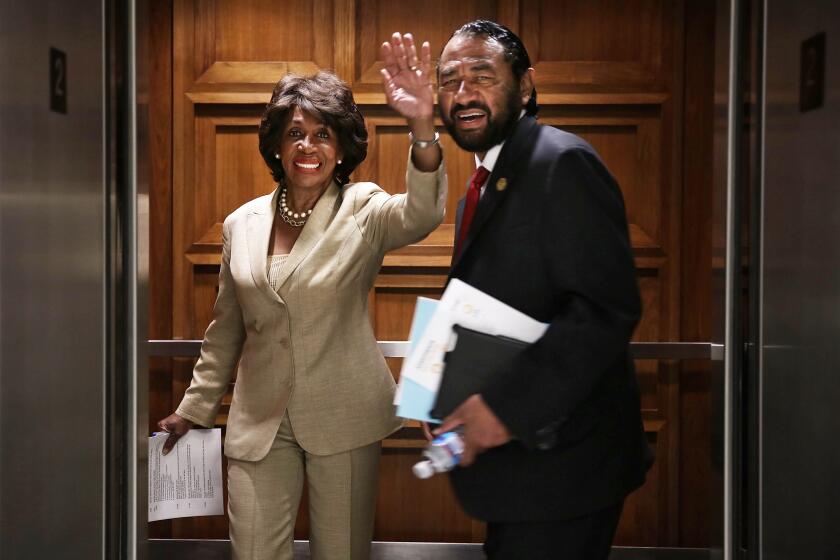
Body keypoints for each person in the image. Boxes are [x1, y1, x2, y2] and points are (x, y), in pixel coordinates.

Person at [156, 33, 446, 560]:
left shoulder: (363, 208)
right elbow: (226, 329)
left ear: (341, 148)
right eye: (295, 133)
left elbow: (422, 214)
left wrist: (422, 125)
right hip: (259, 419)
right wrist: (194, 408)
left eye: (322, 134)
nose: (308, 147)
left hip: (344, 414)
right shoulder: (242, 224)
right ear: (276, 144)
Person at [430, 20, 653, 559]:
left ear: (525, 86)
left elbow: (602, 312)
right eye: (450, 80)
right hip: (520, 474)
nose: (463, 94)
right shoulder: (477, 191)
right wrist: (440, 397)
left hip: (565, 469)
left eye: (482, 76)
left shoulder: (561, 162)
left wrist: (502, 411)